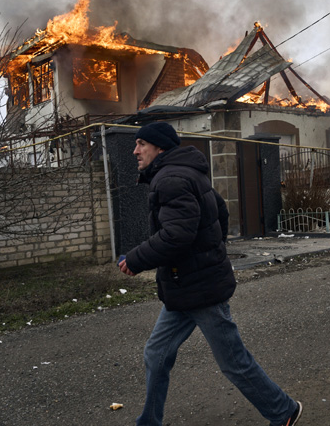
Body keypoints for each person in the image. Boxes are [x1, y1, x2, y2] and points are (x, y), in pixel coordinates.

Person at [118, 122, 302, 426]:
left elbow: (176, 235)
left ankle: (284, 411)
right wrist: (211, 251)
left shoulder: (171, 179)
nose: (135, 151)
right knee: (156, 355)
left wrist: (136, 259)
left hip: (200, 289)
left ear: (159, 147)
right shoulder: (187, 172)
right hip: (184, 287)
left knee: (233, 362)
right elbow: (220, 212)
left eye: (141, 144)